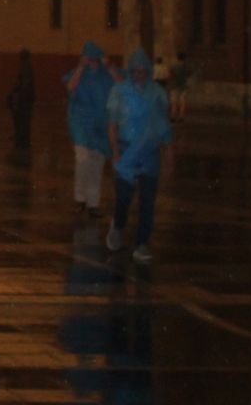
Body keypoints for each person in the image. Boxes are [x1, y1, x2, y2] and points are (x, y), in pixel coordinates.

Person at [106, 46, 172, 263]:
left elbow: (163, 125)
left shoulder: (157, 94)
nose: (139, 76)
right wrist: (115, 151)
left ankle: (142, 242)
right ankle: (118, 225)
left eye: (143, 72)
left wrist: (167, 153)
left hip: (150, 153)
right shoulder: (119, 92)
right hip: (126, 150)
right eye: (135, 71)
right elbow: (113, 123)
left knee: (147, 201)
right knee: (124, 197)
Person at [63, 41, 115, 218]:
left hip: (100, 125)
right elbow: (70, 87)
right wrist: (80, 67)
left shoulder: (105, 76)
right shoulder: (79, 74)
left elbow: (122, 84)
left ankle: (93, 203)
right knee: (83, 159)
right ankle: (80, 199)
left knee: (96, 163)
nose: (91, 62)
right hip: (81, 124)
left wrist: (109, 67)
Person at [5, 49, 36, 152]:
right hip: (27, 98)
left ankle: (22, 140)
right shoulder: (27, 67)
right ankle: (23, 139)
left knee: (22, 120)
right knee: (24, 120)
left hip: (24, 99)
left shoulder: (24, 68)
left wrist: (17, 95)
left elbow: (23, 84)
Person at [169, 51, 191, 122]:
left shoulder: (173, 66)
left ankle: (173, 116)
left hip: (174, 86)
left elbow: (170, 76)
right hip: (183, 86)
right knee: (182, 103)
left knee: (174, 102)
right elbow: (188, 74)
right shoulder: (186, 66)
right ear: (184, 58)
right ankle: (181, 117)